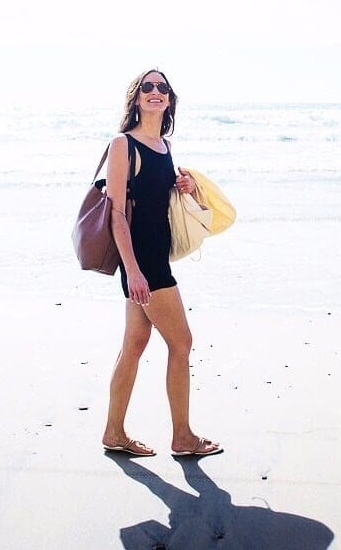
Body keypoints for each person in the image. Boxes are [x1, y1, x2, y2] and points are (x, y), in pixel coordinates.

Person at [100, 69, 222, 458]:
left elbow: (157, 201)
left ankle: (113, 432)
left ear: (169, 100)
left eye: (162, 88)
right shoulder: (123, 145)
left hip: (152, 257)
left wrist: (183, 186)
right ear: (136, 98)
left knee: (134, 344)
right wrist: (132, 270)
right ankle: (182, 437)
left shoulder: (164, 146)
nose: (155, 92)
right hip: (143, 262)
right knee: (182, 342)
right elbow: (117, 213)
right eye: (147, 87)